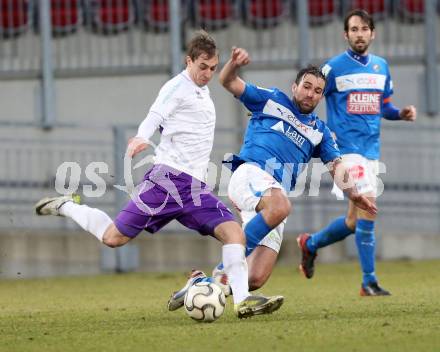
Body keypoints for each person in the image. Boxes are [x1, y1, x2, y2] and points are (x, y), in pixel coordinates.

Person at [34, 31, 284, 319]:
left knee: (234, 233)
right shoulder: (176, 87)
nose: (207, 73)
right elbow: (156, 114)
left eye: (213, 68)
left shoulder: (202, 91)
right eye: (202, 67)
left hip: (194, 189)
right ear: (188, 61)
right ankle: (67, 205)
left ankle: (243, 301)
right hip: (166, 182)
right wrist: (141, 137)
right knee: (113, 237)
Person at [167, 46, 377, 307]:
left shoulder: (320, 132)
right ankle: (223, 270)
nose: (310, 93)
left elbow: (336, 165)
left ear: (322, 97)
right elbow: (228, 81)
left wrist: (354, 193)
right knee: (281, 206)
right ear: (294, 86)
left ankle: (199, 285)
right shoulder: (271, 100)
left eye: (317, 91)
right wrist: (233, 63)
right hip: (251, 174)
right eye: (307, 86)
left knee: (254, 278)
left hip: (273, 195)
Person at [296, 9, 417, 296]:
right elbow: (308, 98)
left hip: (371, 150)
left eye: (364, 29)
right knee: (370, 208)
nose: (359, 34)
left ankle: (309, 244)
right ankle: (369, 281)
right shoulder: (332, 68)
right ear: (345, 34)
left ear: (372, 33)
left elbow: (382, 106)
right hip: (345, 151)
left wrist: (400, 113)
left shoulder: (381, 67)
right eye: (354, 29)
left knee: (354, 221)